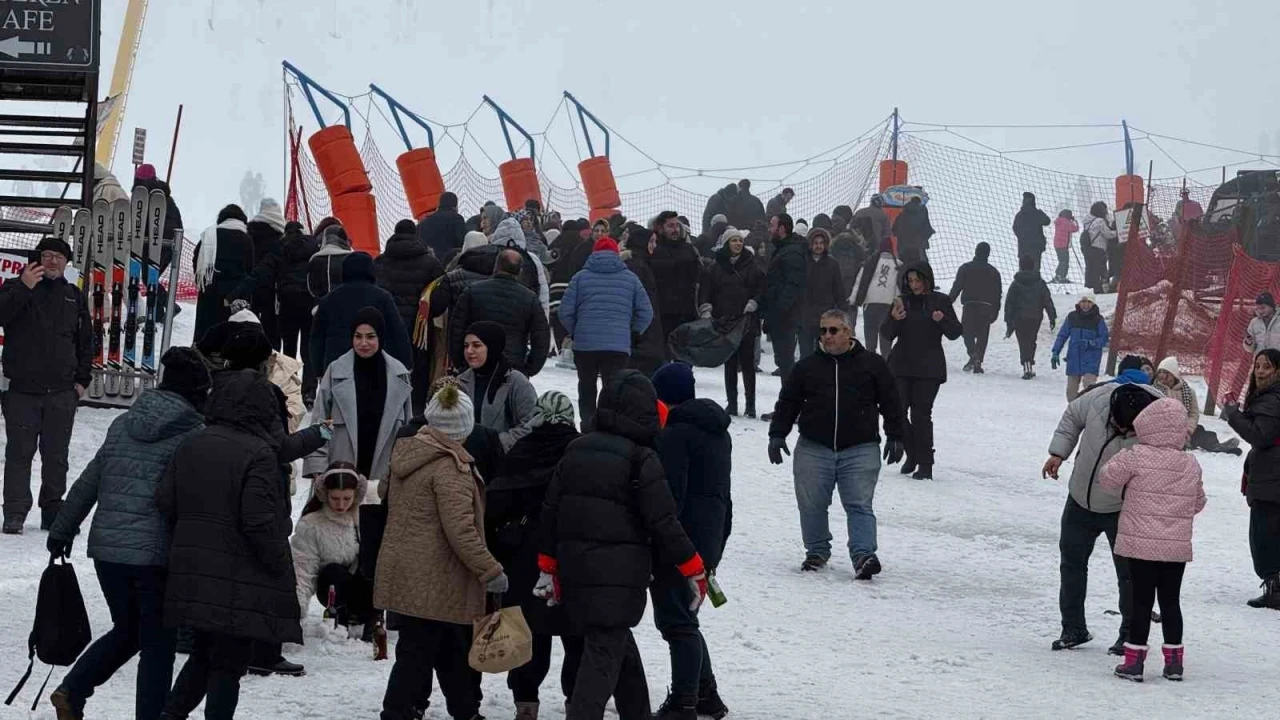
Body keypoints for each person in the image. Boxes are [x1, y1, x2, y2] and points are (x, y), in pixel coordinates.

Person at [44, 348, 209, 720]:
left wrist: (63, 527)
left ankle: (72, 691)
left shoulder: (123, 425)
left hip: (107, 552)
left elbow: (90, 479)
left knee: (130, 628)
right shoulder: (194, 434)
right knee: (158, 644)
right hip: (153, 556)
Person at [535, 370, 707, 720]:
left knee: (616, 645)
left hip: (575, 569)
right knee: (602, 656)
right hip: (618, 576)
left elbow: (550, 512)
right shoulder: (641, 459)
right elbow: (664, 522)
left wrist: (548, 564)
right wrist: (693, 566)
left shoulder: (576, 449)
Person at [157, 371, 301, 719]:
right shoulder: (260, 454)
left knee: (205, 654)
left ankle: (170, 716)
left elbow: (165, 500)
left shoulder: (192, 443)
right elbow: (259, 521)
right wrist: (280, 564)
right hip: (238, 576)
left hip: (192, 571)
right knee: (227, 665)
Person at [375, 383, 507, 720]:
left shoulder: (408, 454)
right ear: (464, 427)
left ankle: (465, 711)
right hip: (436, 576)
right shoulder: (450, 469)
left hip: (412, 571)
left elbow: (386, 495)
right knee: (418, 652)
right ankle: (395, 713)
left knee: (446, 646)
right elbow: (461, 531)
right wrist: (490, 570)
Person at [768, 309, 905, 577]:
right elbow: (788, 403)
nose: (827, 336)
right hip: (813, 447)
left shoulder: (872, 364)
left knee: (859, 504)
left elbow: (891, 402)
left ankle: (863, 554)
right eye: (823, 331)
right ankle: (817, 551)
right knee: (811, 504)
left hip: (860, 448)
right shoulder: (807, 367)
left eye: (833, 330)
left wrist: (896, 434)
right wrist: (777, 434)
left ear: (848, 332)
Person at [1043, 355, 1163, 655]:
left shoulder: (1160, 415)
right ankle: (1073, 628)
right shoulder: (1098, 398)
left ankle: (1128, 635)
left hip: (1124, 508)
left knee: (1129, 574)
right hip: (1080, 499)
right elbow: (1072, 416)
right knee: (1071, 564)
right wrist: (1059, 452)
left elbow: (1174, 452)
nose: (1120, 432)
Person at [485, 391, 584, 719]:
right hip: (572, 560)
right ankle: (577, 701)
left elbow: (494, 508)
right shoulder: (582, 453)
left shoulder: (520, 452)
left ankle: (526, 704)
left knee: (530, 635)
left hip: (524, 562)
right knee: (576, 635)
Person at [1099, 398, 1205, 682]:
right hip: (1175, 548)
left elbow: (1107, 479)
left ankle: (1134, 663)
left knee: (1141, 602)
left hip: (1141, 546)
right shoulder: (1190, 463)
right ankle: (1174, 664)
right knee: (1171, 602)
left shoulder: (1136, 456)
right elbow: (1198, 503)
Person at [649, 363, 733, 720]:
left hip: (681, 541)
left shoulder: (676, 435)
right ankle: (706, 696)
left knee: (676, 622)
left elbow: (672, 496)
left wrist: (661, 539)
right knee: (686, 618)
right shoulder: (717, 432)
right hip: (710, 536)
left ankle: (684, 701)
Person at [0, 236, 91, 534]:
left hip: (62, 393)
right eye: (48, 255)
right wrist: (25, 287)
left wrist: (81, 381)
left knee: (56, 457)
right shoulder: (15, 287)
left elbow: (85, 341)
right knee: (18, 455)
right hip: (22, 391)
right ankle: (14, 513)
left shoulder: (73, 295)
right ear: (38, 258)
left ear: (66, 263)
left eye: (59, 257)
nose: (53, 261)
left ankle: (53, 511)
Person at [304, 307, 413, 489]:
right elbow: (322, 424)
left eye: (370, 336)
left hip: (383, 481)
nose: (363, 343)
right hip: (339, 480)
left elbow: (407, 432)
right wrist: (318, 468)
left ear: (381, 337)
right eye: (358, 336)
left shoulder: (399, 374)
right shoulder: (335, 372)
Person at [558, 237, 654, 428]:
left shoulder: (580, 277)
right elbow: (646, 312)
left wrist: (575, 331)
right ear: (617, 254)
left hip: (585, 345)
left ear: (593, 253)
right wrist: (634, 332)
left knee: (586, 387)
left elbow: (564, 311)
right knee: (613, 388)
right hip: (617, 346)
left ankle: (587, 424)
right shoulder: (630, 278)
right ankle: (608, 426)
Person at [882, 263, 962, 480]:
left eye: (918, 280)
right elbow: (887, 333)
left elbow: (956, 331)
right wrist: (893, 319)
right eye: (910, 281)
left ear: (927, 279)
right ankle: (913, 453)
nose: (914, 285)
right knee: (896, 412)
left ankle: (925, 463)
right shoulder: (902, 302)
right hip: (901, 365)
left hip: (928, 368)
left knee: (921, 415)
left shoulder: (940, 301)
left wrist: (942, 319)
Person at [227, 221, 319, 402]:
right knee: (308, 348)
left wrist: (235, 294)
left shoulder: (279, 247)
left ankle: (287, 387)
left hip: (286, 303)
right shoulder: (313, 247)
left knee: (288, 348)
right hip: (309, 303)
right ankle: (308, 392)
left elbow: (261, 273)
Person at [1220, 348, 1280, 609]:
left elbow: (1261, 436)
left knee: (1265, 534)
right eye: (1257, 366)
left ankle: (1275, 588)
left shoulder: (1272, 399)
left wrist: (1233, 414)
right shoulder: (1268, 396)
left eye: (1266, 367)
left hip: (1272, 476)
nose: (1260, 371)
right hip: (1270, 473)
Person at [292, 462, 372, 633]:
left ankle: (369, 621)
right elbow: (303, 569)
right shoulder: (312, 524)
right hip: (331, 588)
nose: (341, 505)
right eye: (335, 498)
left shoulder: (366, 516)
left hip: (364, 589)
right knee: (334, 571)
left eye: (347, 499)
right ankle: (339, 622)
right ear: (324, 494)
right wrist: (295, 608)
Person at [376, 219, 445, 415]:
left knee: (388, 366)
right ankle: (415, 411)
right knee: (419, 369)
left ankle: (389, 410)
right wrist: (430, 314)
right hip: (419, 328)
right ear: (416, 235)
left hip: (387, 326)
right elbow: (443, 292)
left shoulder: (380, 261)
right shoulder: (431, 263)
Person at [449, 248, 550, 378]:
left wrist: (461, 362)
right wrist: (529, 369)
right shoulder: (530, 298)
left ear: (496, 266)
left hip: (475, 364)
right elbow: (541, 337)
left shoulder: (472, 291)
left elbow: (456, 329)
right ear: (520, 271)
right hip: (512, 366)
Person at [699, 227, 765, 417]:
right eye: (733, 241)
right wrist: (706, 307)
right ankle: (733, 404)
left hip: (746, 321)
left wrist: (755, 302)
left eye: (739, 241)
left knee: (747, 364)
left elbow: (762, 289)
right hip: (725, 321)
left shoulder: (752, 266)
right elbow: (707, 290)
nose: (737, 244)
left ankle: (750, 405)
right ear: (726, 243)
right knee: (730, 363)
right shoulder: (715, 268)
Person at [310, 252, 412, 375]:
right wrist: (406, 363)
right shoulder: (382, 297)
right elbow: (397, 333)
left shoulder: (329, 299)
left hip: (336, 365)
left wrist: (318, 369)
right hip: (374, 364)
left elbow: (317, 337)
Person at [456, 321, 538, 452]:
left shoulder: (516, 382)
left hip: (503, 459)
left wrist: (496, 443)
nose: (469, 351)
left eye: (476, 345)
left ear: (492, 347)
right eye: (466, 346)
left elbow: (532, 424)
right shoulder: (460, 381)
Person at [192, 204, 256, 344]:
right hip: (234, 298)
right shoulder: (246, 239)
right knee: (229, 338)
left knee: (206, 336)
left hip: (209, 293)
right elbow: (250, 269)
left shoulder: (208, 236)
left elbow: (196, 262)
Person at [1153, 357, 1241, 455]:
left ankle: (1219, 448)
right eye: (1159, 372)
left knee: (1203, 433)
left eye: (1165, 372)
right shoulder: (1155, 390)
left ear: (1173, 374)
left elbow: (1193, 414)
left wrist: (1188, 430)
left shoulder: (1188, 391)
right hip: (1164, 430)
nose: (1161, 376)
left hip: (1184, 427)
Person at [760, 213, 807, 380]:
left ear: (782, 228)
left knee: (787, 364)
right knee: (784, 362)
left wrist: (779, 312)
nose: (769, 229)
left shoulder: (792, 252)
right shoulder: (782, 249)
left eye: (772, 225)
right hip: (781, 317)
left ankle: (791, 404)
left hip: (786, 319)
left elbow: (793, 285)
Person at [649, 211, 702, 352]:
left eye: (677, 226)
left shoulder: (688, 249)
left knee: (684, 359)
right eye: (670, 226)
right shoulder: (653, 250)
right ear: (660, 228)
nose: (675, 230)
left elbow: (698, 277)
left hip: (686, 313)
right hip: (662, 315)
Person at [947, 242, 1003, 374]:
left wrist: (947, 303)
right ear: (988, 254)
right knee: (983, 336)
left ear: (976, 251)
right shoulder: (994, 272)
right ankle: (978, 359)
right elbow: (998, 294)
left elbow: (957, 287)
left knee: (967, 333)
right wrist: (996, 310)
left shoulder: (965, 268)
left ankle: (973, 354)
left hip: (970, 305)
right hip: (987, 307)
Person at [620, 226, 666, 376]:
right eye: (651, 241)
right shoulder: (637, 266)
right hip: (643, 335)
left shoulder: (641, 263)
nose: (655, 245)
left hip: (642, 332)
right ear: (642, 242)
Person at [1004, 255, 1057, 380]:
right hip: (1035, 317)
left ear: (1020, 266)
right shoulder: (1040, 282)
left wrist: (1008, 320)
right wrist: (1052, 316)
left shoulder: (1015, 283)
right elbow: (1047, 300)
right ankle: (1030, 361)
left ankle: (1026, 363)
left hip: (1019, 318)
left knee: (1022, 342)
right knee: (1031, 340)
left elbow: (1009, 303)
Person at [244, 198, 287, 348]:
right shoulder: (281, 236)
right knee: (272, 332)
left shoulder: (248, 231)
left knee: (249, 326)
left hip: (249, 287)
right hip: (273, 291)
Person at [797, 228, 846, 358]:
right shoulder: (802, 262)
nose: (818, 246)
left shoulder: (832, 264)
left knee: (825, 353)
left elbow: (839, 290)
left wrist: (841, 312)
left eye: (821, 243)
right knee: (806, 353)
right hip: (805, 316)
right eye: (815, 243)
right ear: (810, 244)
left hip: (825, 316)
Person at [1052, 295, 1109, 401]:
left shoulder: (1098, 319)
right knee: (1071, 393)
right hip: (1074, 358)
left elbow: (1104, 338)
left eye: (1089, 302)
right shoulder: (1072, 317)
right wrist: (1056, 351)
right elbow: (1062, 335)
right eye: (1083, 301)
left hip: (1091, 359)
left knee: (1089, 388)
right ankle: (1075, 413)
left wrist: (1091, 343)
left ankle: (1086, 411)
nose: (1086, 305)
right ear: (1079, 303)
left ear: (1093, 304)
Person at [491, 216, 551, 317]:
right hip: (524, 314)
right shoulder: (532, 258)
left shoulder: (492, 255)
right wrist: (543, 321)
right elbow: (543, 295)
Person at [852, 237, 901, 357]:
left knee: (870, 330)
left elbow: (859, 281)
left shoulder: (870, 261)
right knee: (885, 333)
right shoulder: (898, 264)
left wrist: (854, 299)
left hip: (870, 302)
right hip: (888, 303)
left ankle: (870, 358)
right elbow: (899, 287)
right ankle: (886, 359)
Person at [416, 191, 468, 261]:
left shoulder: (424, 222)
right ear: (455, 206)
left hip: (428, 263)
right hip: (448, 263)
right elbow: (462, 242)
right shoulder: (457, 219)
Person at [308, 221, 352, 301]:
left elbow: (312, 288)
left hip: (319, 307)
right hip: (347, 304)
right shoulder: (352, 258)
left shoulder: (314, 259)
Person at [1013, 192, 1051, 274]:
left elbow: (1015, 228)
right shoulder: (1037, 213)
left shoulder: (1019, 215)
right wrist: (1040, 212)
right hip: (1036, 247)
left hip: (1023, 247)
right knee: (1035, 270)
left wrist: (1022, 237)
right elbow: (1047, 221)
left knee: (1023, 270)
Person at [1083, 202, 1117, 293]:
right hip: (1099, 248)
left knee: (1093, 268)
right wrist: (1119, 233)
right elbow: (1108, 234)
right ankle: (1101, 288)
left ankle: (1096, 287)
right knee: (1101, 269)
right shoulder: (1100, 221)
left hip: (1089, 247)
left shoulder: (1088, 220)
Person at [892, 197, 934, 264]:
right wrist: (923, 239)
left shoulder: (901, 216)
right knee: (921, 270)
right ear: (919, 202)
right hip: (919, 249)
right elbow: (928, 230)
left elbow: (894, 231)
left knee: (904, 271)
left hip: (903, 249)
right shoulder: (923, 213)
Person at [1052, 209, 1079, 283]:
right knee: (1065, 261)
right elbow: (1076, 229)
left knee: (1061, 261)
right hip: (1063, 245)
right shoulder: (1067, 222)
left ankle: (1058, 276)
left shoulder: (1058, 221)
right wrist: (1074, 221)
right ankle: (1061, 276)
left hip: (1057, 244)